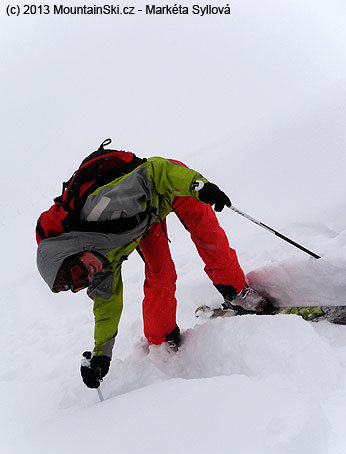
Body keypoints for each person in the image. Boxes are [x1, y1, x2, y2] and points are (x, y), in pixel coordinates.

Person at [36, 152, 274, 389]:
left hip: (170, 184)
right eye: (79, 283)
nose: (86, 275)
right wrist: (101, 356)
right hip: (145, 220)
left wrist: (196, 185)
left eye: (77, 271)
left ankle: (236, 293)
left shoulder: (103, 207)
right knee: (161, 273)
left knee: (208, 235)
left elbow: (156, 171)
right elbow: (106, 305)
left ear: (71, 249)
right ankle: (162, 342)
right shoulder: (94, 264)